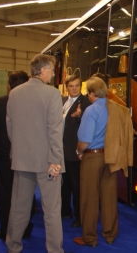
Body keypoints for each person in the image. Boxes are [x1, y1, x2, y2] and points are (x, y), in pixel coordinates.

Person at [5, 54, 68, 253]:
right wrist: (56, 160)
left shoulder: (14, 93)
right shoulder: (52, 94)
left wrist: (20, 150)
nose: (52, 74)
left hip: (22, 160)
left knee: (18, 208)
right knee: (51, 211)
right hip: (48, 163)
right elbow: (55, 130)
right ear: (42, 70)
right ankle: (54, 250)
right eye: (51, 69)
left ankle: (13, 246)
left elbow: (10, 127)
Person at [74, 76, 133, 247]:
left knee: (89, 198)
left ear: (92, 94)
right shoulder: (116, 108)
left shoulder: (91, 111)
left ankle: (89, 238)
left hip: (92, 157)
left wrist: (78, 151)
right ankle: (110, 234)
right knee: (108, 197)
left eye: (88, 94)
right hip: (111, 156)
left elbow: (85, 140)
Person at [0, 71, 35, 241]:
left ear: (9, 85)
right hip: (27, 157)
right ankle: (26, 228)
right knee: (26, 193)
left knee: (4, 193)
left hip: (3, 158)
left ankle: (6, 229)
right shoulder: (33, 103)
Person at [61, 75, 91, 228]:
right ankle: (65, 210)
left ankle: (79, 217)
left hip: (76, 152)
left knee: (77, 186)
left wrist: (79, 117)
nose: (74, 88)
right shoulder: (63, 101)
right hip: (62, 150)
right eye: (71, 86)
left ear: (81, 87)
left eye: (77, 86)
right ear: (67, 87)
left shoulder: (85, 104)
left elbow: (87, 127)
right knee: (63, 183)